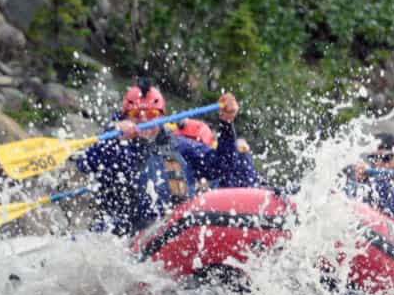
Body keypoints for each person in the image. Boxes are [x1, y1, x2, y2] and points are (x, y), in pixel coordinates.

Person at [74, 82, 259, 236]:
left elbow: (221, 166)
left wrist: (227, 125)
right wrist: (112, 134)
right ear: (125, 117)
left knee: (239, 150)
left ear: (162, 116)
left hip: (175, 225)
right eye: (136, 116)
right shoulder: (116, 145)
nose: (144, 120)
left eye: (152, 114)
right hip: (127, 231)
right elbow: (85, 164)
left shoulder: (179, 146)